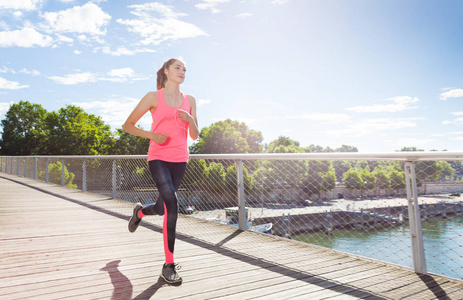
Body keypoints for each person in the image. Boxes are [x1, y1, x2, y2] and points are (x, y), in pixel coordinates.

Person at [122, 57, 199, 284]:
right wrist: (152, 136)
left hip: (180, 159)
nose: (182, 71)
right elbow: (128, 125)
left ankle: (140, 212)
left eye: (185, 69)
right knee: (172, 203)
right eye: (178, 68)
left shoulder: (190, 99)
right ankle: (168, 265)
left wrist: (190, 120)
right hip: (158, 158)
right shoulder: (153, 97)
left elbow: (194, 134)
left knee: (162, 207)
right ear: (166, 71)